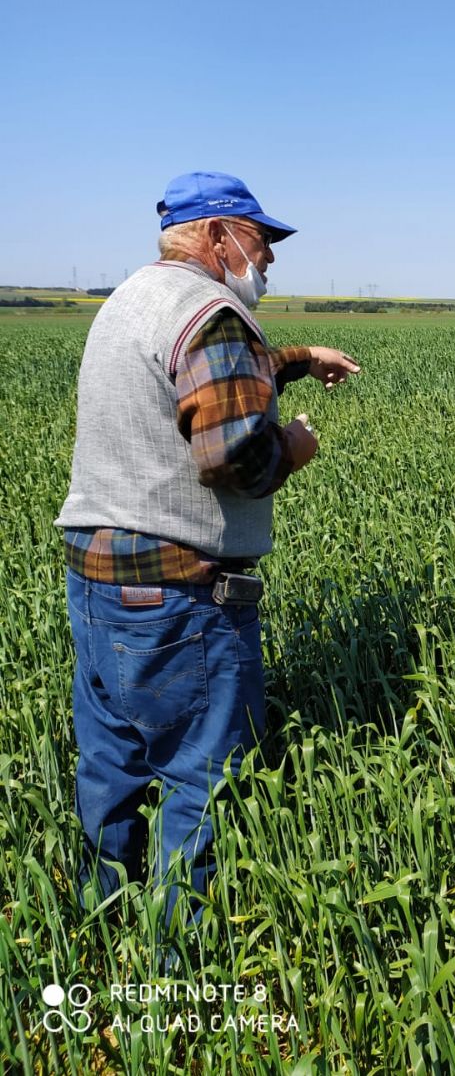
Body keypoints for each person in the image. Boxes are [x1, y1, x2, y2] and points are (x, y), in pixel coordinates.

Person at [56, 171, 360, 920]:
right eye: (262, 239)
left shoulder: (127, 300)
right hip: (182, 597)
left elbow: (198, 379)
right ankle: (182, 965)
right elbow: (234, 457)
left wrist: (294, 357)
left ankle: (101, 922)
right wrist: (291, 446)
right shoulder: (212, 311)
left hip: (96, 587)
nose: (272, 258)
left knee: (111, 764)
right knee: (203, 778)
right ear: (218, 234)